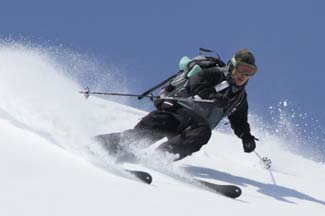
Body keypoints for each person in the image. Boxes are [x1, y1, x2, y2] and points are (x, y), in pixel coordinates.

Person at [95, 49, 259, 162]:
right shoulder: (216, 74)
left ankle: (161, 157)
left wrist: (246, 137)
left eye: (250, 72)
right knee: (152, 131)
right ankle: (104, 144)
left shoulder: (239, 97)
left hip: (195, 124)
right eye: (242, 69)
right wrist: (212, 96)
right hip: (178, 108)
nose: (244, 75)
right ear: (232, 66)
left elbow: (239, 121)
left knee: (202, 132)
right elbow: (196, 81)